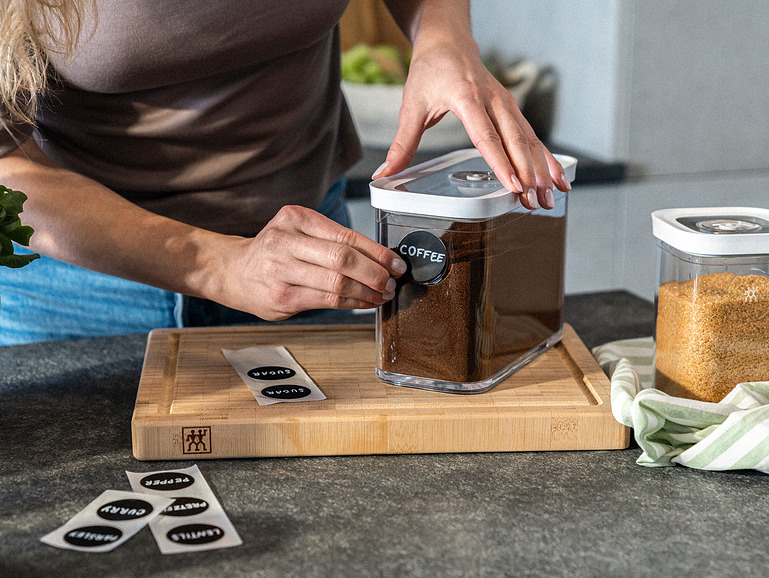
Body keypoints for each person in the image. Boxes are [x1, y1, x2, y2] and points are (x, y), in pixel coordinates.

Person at [0, 0, 571, 345]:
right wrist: (217, 266)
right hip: (81, 287)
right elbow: (8, 169)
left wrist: (443, 38)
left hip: (313, 256)